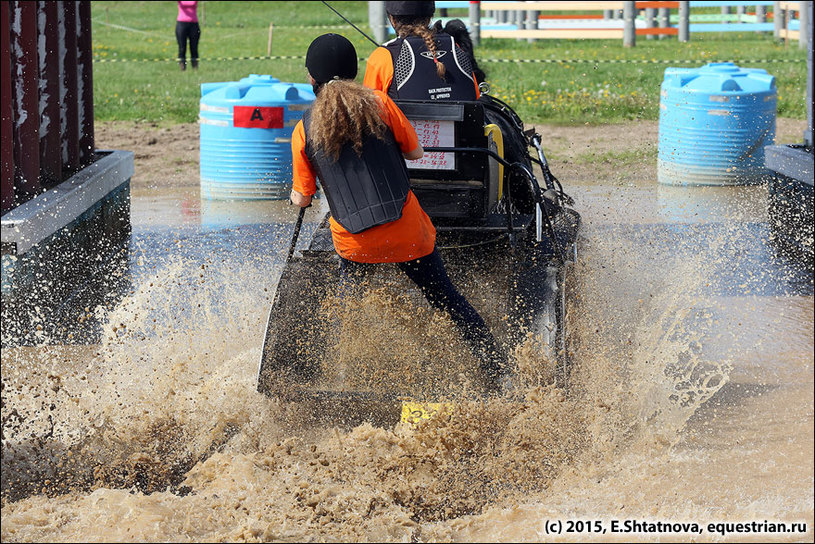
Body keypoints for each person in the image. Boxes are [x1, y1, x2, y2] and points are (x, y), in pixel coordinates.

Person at [290, 33, 508, 394]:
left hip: (354, 243)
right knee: (449, 301)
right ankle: (497, 369)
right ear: (354, 71)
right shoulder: (378, 103)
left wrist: (298, 192)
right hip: (409, 234)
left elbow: (302, 198)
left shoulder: (304, 128)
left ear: (310, 79)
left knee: (345, 311)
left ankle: (338, 380)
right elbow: (416, 153)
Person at [363, 1, 480, 100]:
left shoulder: (383, 55)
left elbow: (370, 107)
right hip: (463, 127)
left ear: (392, 19)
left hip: (406, 127)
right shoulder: (454, 47)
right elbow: (476, 95)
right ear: (430, 18)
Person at [176, 1, 200, 71]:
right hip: (181, 24)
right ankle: (182, 68)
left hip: (194, 24)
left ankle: (195, 68)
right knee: (182, 48)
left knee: (194, 48)